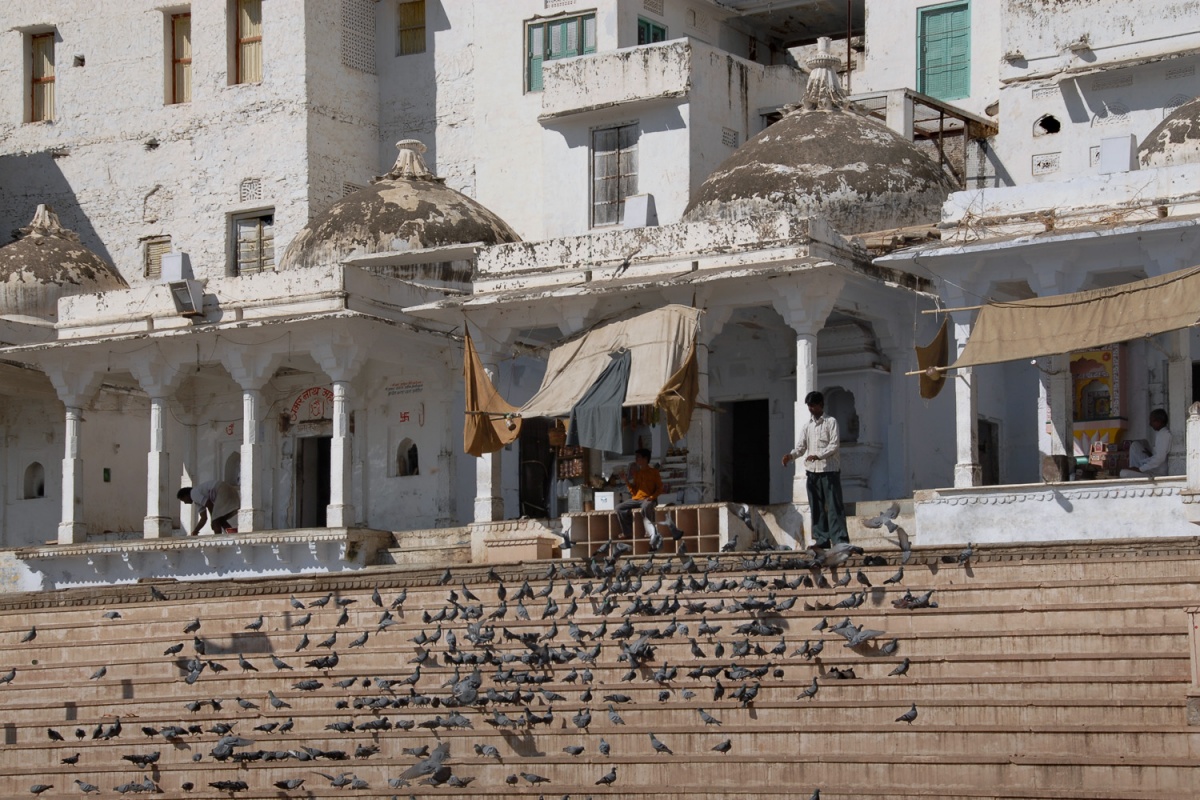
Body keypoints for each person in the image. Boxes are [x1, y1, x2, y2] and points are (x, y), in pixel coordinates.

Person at [781, 390, 849, 548]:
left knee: (834, 506)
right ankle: (821, 539)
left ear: (820, 405)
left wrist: (818, 456)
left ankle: (840, 540)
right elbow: (801, 447)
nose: (810, 409)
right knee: (816, 507)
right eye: (809, 406)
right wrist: (790, 456)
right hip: (812, 473)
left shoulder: (831, 422)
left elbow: (834, 445)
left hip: (829, 471)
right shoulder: (807, 426)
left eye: (812, 405)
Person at [615, 448, 663, 540]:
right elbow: (634, 492)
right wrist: (626, 481)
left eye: (638, 457)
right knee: (619, 508)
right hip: (637, 499)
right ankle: (627, 532)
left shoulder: (654, 472)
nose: (636, 459)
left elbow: (660, 488)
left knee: (645, 506)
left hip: (649, 499)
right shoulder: (637, 474)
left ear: (645, 459)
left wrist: (652, 497)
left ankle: (649, 531)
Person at [1120, 408, 1171, 478]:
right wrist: (1150, 456)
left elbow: (1160, 458)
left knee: (1123, 473)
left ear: (1159, 421)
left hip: (1157, 472)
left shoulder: (1165, 434)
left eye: (1152, 421)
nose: (1150, 424)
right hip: (1153, 467)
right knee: (1135, 446)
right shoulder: (1160, 433)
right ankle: (1135, 469)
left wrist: (1140, 469)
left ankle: (1136, 470)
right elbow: (1158, 454)